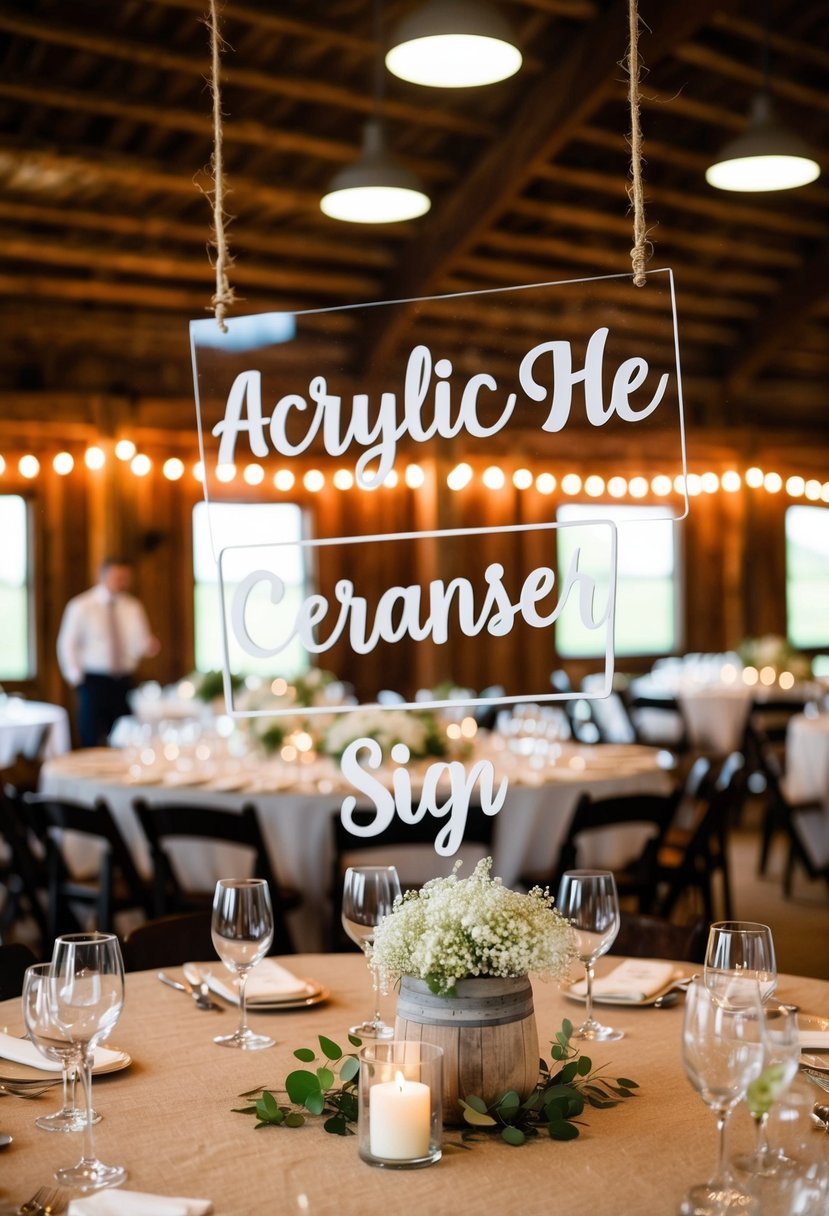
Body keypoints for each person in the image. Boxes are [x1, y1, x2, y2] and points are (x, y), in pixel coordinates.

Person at [57, 556, 160, 747]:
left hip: (124, 680)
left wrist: (147, 646)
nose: (121, 582)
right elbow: (67, 643)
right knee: (92, 735)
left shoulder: (133, 606)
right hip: (93, 680)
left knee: (125, 735)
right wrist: (75, 676)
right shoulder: (81, 606)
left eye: (125, 577)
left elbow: (139, 642)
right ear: (102, 576)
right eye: (117, 577)